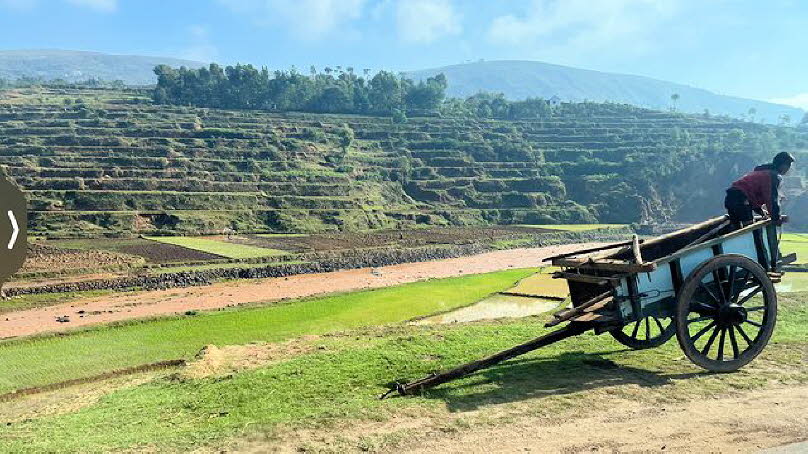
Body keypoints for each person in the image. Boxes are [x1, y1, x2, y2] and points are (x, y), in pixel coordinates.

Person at [725, 152, 795, 228]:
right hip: (740, 198)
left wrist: (759, 210)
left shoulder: (762, 172)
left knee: (737, 228)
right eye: (788, 165)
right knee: (749, 228)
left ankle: (718, 234)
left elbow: (751, 193)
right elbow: (771, 198)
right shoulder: (772, 176)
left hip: (732, 197)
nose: (788, 168)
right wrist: (776, 218)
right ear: (783, 165)